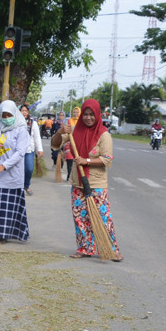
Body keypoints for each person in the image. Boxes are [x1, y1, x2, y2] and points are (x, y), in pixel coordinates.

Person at [60, 99, 123, 261]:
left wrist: (86, 161)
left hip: (96, 184)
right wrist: (60, 132)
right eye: (85, 114)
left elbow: (107, 159)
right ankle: (85, 248)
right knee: (80, 217)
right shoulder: (75, 131)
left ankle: (112, 249)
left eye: (91, 115)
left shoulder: (104, 134)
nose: (88, 118)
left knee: (103, 217)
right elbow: (55, 143)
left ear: (97, 115)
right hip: (78, 182)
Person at [0, 100, 31, 242]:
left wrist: (3, 166)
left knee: (7, 205)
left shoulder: (21, 130)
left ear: (14, 113)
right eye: (3, 115)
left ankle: (4, 234)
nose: (6, 118)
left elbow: (20, 153)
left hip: (11, 174)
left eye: (8, 115)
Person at [19, 104, 43, 195]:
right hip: (18, 150)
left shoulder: (33, 123)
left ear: (28, 112)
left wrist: (40, 149)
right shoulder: (16, 122)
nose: (24, 112)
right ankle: (19, 187)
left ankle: (26, 185)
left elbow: (37, 137)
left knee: (29, 168)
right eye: (22, 111)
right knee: (19, 170)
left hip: (29, 150)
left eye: (25, 111)